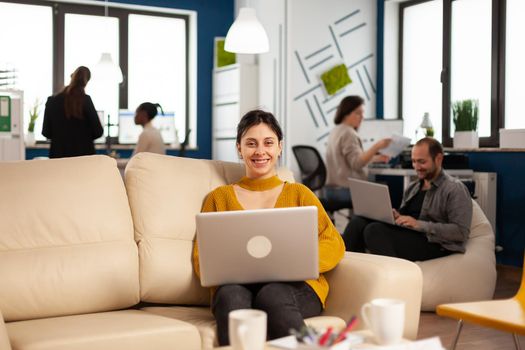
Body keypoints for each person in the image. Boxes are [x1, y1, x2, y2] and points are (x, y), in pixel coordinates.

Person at [192, 110, 345, 346]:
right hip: (237, 288)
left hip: (295, 289)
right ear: (239, 149)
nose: (260, 151)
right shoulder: (218, 198)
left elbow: (333, 242)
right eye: (251, 143)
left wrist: (297, 263)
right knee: (230, 295)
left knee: (272, 293)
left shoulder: (299, 193)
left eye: (268, 143)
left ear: (280, 147)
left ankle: (308, 345)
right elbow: (202, 255)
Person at [344, 137, 473, 261]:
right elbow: (407, 218)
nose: (416, 167)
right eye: (414, 161)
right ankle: (349, 272)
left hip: (435, 243)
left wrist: (419, 225)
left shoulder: (454, 188)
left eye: (422, 162)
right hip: (411, 234)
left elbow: (461, 232)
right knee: (358, 222)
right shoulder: (413, 187)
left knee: (374, 231)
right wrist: (396, 216)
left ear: (438, 159)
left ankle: (395, 279)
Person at [324, 95, 391, 209]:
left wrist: (375, 158)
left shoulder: (336, 130)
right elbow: (357, 163)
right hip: (346, 191)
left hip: (332, 190)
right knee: (387, 191)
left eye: (362, 113)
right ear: (346, 113)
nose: (362, 117)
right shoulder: (349, 133)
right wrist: (377, 146)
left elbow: (347, 160)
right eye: (358, 113)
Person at [42, 66, 103, 158]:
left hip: (58, 159)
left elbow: (46, 132)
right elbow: (98, 131)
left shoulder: (52, 101)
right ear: (86, 82)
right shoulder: (86, 100)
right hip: (83, 159)